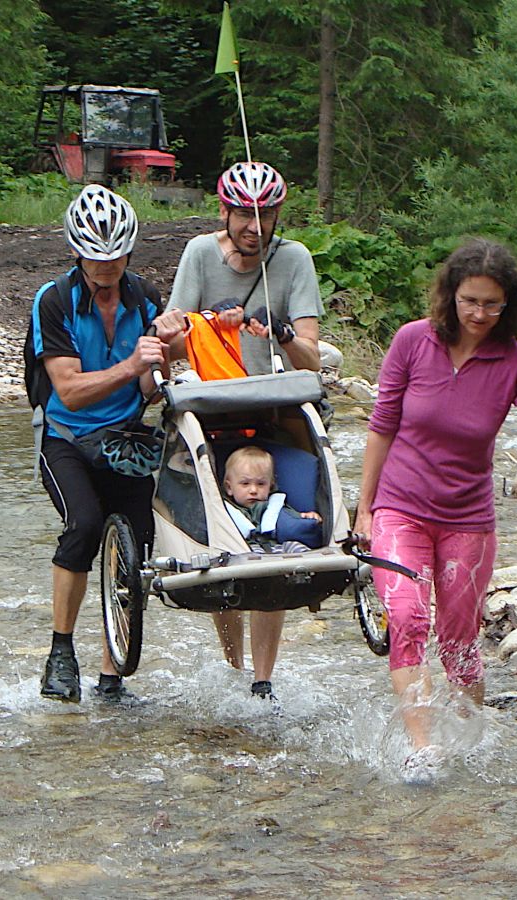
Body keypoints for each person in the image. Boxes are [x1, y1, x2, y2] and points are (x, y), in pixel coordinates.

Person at [353, 238, 517, 783]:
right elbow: (382, 425)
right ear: (450, 297)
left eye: (492, 304)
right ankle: (422, 747)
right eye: (469, 301)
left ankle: (470, 736)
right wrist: (364, 509)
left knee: (459, 637)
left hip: (467, 519)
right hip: (399, 507)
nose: (479, 314)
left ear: (510, 305)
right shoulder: (413, 341)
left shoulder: (515, 359)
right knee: (409, 618)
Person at [165, 161, 325, 700]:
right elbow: (175, 335)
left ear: (278, 214)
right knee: (223, 540)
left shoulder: (295, 259)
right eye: (244, 217)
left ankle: (262, 679)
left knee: (272, 549)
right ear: (225, 212)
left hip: (273, 403)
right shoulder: (199, 254)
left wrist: (276, 331)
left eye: (265, 216)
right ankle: (232, 663)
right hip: (212, 405)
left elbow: (311, 356)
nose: (254, 228)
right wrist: (209, 321)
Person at [31, 184, 185, 703]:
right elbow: (70, 392)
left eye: (116, 258)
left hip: (124, 437)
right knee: (85, 527)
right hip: (67, 438)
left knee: (137, 544)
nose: (106, 268)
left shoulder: (145, 299)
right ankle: (60, 651)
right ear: (77, 252)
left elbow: (147, 387)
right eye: (97, 259)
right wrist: (130, 365)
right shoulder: (54, 302)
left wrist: (164, 354)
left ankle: (111, 673)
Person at [221, 445, 323, 556]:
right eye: (245, 484)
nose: (254, 490)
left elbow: (292, 518)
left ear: (270, 486)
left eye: (261, 484)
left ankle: (312, 569)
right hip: (243, 548)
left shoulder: (274, 505)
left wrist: (307, 516)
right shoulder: (222, 510)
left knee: (296, 547)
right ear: (229, 488)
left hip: (277, 546)